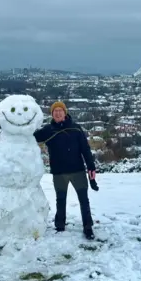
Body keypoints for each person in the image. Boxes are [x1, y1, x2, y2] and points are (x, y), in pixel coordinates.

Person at [34, 101, 97, 240]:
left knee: (83, 200)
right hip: (59, 172)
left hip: (78, 171)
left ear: (65, 112)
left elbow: (85, 150)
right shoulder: (48, 130)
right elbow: (31, 137)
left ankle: (88, 226)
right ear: (52, 114)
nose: (57, 113)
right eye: (54, 111)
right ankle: (60, 224)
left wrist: (91, 167)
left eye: (60, 110)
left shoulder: (76, 129)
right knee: (60, 199)